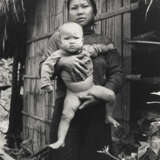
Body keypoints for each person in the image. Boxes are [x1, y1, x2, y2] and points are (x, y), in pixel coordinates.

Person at [40, 0, 123, 159]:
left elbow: (117, 73)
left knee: (96, 156)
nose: (80, 11)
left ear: (94, 10)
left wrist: (99, 96)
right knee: (63, 155)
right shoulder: (58, 38)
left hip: (97, 111)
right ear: (68, 12)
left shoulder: (104, 41)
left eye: (85, 6)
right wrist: (62, 63)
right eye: (74, 7)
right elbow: (43, 66)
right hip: (66, 106)